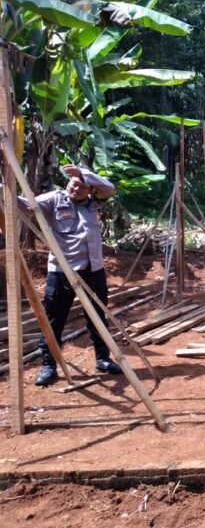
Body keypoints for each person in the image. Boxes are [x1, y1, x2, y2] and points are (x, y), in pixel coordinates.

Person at [17, 165, 121, 387]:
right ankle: (49, 364)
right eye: (74, 184)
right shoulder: (55, 199)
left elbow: (109, 187)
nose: (77, 189)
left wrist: (83, 173)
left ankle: (102, 359)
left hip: (93, 270)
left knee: (97, 316)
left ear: (90, 189)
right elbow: (26, 205)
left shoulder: (95, 202)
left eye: (82, 186)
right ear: (67, 184)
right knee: (54, 319)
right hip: (62, 271)